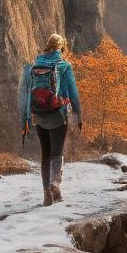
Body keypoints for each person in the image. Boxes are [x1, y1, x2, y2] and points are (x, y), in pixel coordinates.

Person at [19, 33, 83, 206]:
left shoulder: (33, 66)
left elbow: (24, 96)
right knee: (57, 153)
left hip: (39, 115)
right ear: (62, 48)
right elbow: (73, 93)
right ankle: (56, 184)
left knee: (45, 155)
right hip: (58, 114)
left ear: (47, 46)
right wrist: (78, 114)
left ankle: (47, 194)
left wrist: (24, 120)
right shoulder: (64, 65)